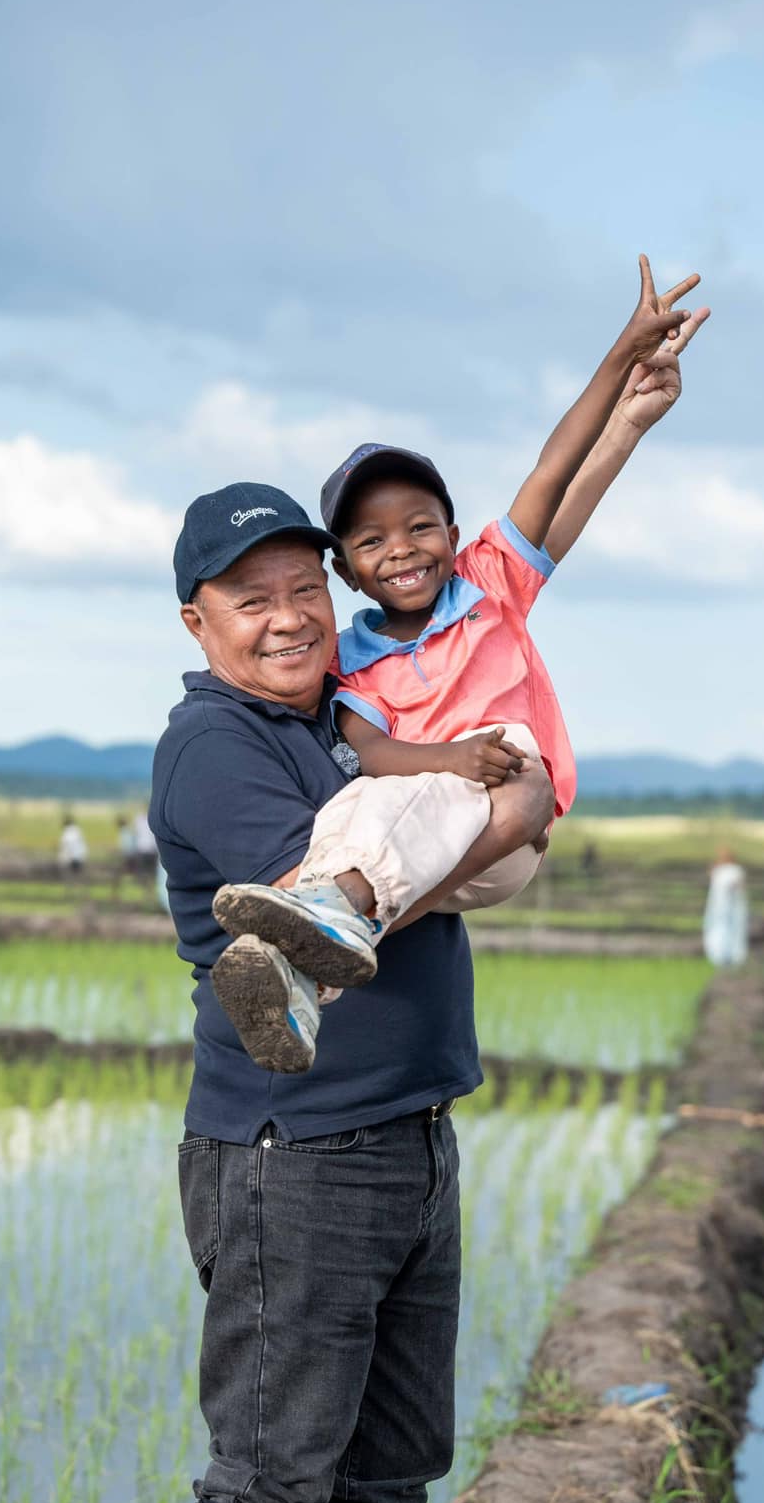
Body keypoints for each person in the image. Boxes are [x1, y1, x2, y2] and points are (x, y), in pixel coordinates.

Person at [146, 289, 706, 1503]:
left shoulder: (349, 723)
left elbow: (546, 520)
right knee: (269, 1463)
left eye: (296, 589)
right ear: (197, 622)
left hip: (404, 1128)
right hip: (287, 1146)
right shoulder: (221, 751)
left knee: (386, 1461)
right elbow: (464, 849)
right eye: (244, 599)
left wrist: (497, 787)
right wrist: (501, 824)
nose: (282, 615)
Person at [207, 257, 710, 1073]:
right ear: (347, 570)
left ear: (452, 529)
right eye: (371, 541)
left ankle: (323, 919)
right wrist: (445, 759)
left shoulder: (489, 584)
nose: (401, 550)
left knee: (494, 744)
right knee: (370, 796)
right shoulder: (350, 661)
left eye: (420, 527)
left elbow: (556, 474)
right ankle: (300, 970)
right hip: (413, 835)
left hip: (502, 832)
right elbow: (368, 751)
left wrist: (623, 368)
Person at [703, 845, 749, 967]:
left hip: (731, 909)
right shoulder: (720, 870)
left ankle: (732, 958)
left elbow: (739, 886)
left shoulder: (735, 870)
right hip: (719, 909)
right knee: (720, 930)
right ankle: (720, 956)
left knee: (732, 931)